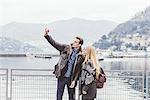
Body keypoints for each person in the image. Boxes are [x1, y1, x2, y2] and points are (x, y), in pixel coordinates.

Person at [43, 28, 85, 100]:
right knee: (59, 97)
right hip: (62, 76)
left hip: (71, 79)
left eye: (75, 42)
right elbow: (55, 44)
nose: (73, 43)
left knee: (71, 97)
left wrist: (74, 81)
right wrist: (47, 36)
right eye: (74, 41)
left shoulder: (81, 56)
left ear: (79, 44)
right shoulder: (66, 48)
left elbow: (78, 70)